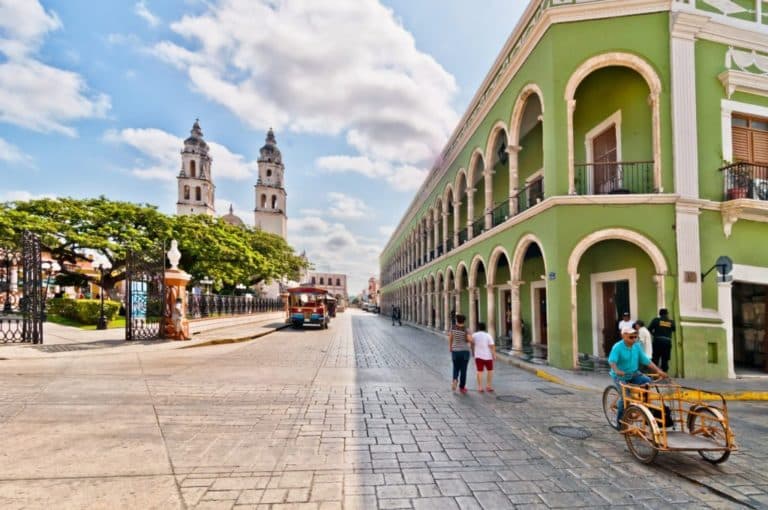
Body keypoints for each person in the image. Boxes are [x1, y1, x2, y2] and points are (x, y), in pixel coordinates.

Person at [609, 326, 667, 426]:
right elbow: (612, 361)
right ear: (623, 336)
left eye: (635, 337)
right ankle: (620, 423)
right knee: (625, 397)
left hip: (634, 373)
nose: (634, 339)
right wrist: (617, 370)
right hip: (620, 376)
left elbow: (646, 361)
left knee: (647, 381)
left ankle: (640, 407)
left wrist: (658, 371)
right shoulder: (617, 347)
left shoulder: (636, 346)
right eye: (631, 337)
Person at [448, 314, 472, 394]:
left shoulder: (453, 328)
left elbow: (450, 338)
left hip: (455, 351)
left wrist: (450, 347)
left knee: (455, 367)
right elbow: (469, 339)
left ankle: (455, 379)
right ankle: (462, 387)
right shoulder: (466, 329)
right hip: (464, 351)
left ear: (457, 320)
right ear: (464, 321)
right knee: (463, 370)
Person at [472, 322, 495, 393]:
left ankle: (480, 387)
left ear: (478, 328)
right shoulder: (488, 335)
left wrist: (473, 352)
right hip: (488, 356)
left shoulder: (474, 335)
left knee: (479, 371)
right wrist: (494, 354)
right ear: (485, 328)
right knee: (490, 371)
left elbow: (472, 344)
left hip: (478, 356)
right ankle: (488, 386)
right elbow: (492, 346)